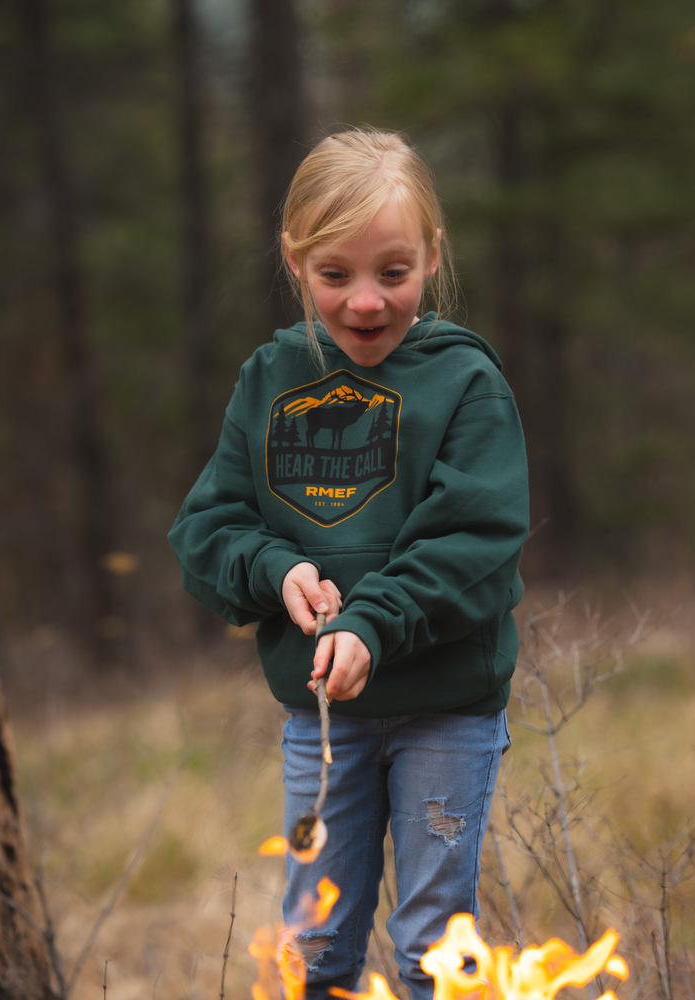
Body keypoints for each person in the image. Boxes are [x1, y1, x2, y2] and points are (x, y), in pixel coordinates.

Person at [169, 128, 528, 1000]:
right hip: (322, 723)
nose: (366, 302)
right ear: (295, 263)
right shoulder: (270, 381)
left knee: (432, 946)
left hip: (444, 710)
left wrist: (372, 621)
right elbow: (208, 526)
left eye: (393, 273)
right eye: (336, 275)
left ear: (433, 258)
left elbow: (474, 537)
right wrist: (275, 568)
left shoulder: (463, 384)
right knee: (317, 941)